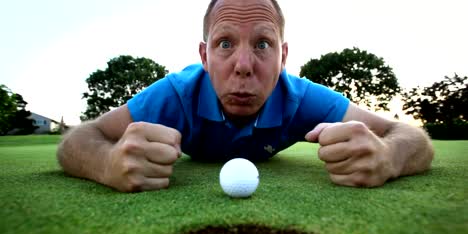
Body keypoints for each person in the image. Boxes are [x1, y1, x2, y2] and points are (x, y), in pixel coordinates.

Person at [57, 0, 434, 192]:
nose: (243, 65)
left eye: (263, 44)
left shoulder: (302, 98)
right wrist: (106, 163)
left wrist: (388, 156)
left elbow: (411, 137)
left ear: (283, 57)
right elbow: (78, 139)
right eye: (224, 43)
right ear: (204, 57)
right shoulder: (174, 95)